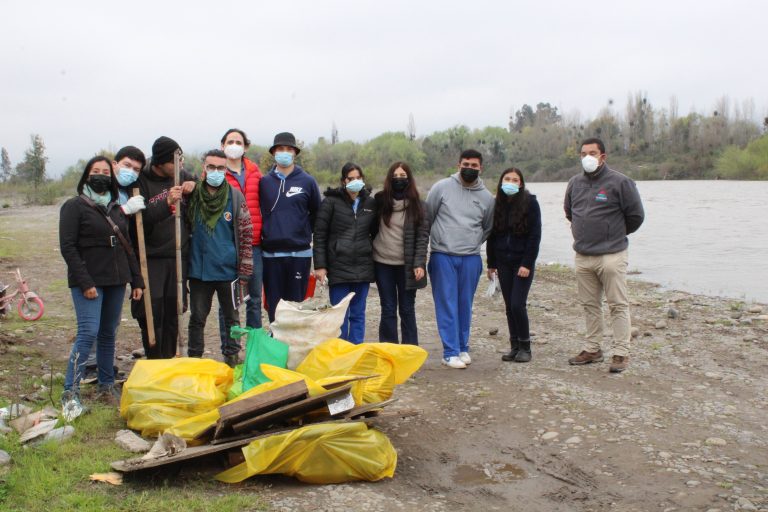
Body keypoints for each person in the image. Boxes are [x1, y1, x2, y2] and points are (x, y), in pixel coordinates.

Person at [59, 156, 144, 408]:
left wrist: (136, 280)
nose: (100, 175)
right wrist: (85, 282)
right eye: (95, 171)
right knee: (88, 332)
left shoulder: (116, 208)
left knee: (108, 334)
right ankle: (70, 391)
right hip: (89, 282)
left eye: (105, 172)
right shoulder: (74, 206)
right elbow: (68, 247)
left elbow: (127, 247)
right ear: (87, 175)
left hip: (116, 280)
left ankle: (106, 385)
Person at [564, 137, 645, 373]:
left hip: (612, 255)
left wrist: (614, 234)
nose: (587, 157)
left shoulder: (621, 182)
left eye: (592, 153)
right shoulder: (574, 183)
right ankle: (593, 348)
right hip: (583, 255)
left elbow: (636, 216)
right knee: (589, 304)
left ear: (603, 157)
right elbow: (570, 212)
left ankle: (621, 353)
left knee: (618, 305)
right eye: (583, 154)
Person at [426, 149, 494, 369]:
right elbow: (427, 218)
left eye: (474, 165)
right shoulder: (441, 188)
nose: (470, 168)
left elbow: (488, 228)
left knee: (465, 303)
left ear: (480, 168)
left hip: (470, 258)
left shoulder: (487, 197)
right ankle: (450, 352)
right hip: (443, 255)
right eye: (466, 164)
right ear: (458, 165)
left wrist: (472, 242)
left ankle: (463, 346)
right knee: (446, 303)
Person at [83, 145, 147, 377]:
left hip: (117, 263)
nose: (130, 171)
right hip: (95, 263)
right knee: (91, 322)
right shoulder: (97, 190)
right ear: (115, 164)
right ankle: (88, 366)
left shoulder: (129, 191)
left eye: (136, 169)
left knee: (110, 322)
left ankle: (104, 368)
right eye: (127, 165)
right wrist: (124, 211)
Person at [131, 136, 197, 359]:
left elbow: (196, 185)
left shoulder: (181, 175)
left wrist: (193, 185)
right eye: (174, 162)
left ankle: (170, 358)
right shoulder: (141, 181)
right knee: (152, 311)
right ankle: (154, 357)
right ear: (159, 163)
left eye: (181, 161)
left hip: (178, 255)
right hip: (152, 257)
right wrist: (165, 202)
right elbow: (140, 219)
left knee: (174, 309)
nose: (179, 167)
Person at [187, 150, 253, 367]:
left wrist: (245, 269)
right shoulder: (192, 194)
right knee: (197, 318)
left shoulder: (235, 197)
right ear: (203, 168)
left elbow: (246, 232)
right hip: (199, 270)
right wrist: (182, 188)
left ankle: (232, 360)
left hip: (229, 271)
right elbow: (163, 198)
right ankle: (195, 361)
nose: (216, 171)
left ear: (226, 170)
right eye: (211, 167)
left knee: (232, 319)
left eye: (220, 168)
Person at [259, 132, 321, 323]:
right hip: (271, 255)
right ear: (274, 153)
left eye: (288, 149)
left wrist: (301, 231)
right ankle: (276, 348)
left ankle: (295, 350)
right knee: (274, 308)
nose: (284, 152)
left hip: (299, 254)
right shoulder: (264, 182)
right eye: (280, 149)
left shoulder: (307, 181)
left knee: (296, 306)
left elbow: (316, 213)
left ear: (294, 153)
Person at [313, 163, 377, 343]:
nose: (355, 181)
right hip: (339, 267)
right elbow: (319, 234)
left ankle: (355, 351)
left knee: (358, 314)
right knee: (339, 315)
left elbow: (376, 231)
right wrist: (320, 265)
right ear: (343, 181)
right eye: (351, 178)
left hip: (363, 267)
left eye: (358, 178)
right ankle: (340, 353)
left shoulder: (370, 203)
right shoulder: (330, 202)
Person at [486, 168, 542, 363]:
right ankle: (514, 345)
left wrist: (527, 262)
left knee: (518, 304)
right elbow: (492, 237)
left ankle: (526, 346)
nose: (511, 182)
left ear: (521, 183)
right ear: (501, 182)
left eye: (515, 179)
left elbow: (535, 236)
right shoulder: (497, 204)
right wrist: (491, 263)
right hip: (503, 262)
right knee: (509, 306)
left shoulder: (530, 203)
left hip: (522, 262)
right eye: (507, 179)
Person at [372, 162, 429, 345]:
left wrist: (419, 263)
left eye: (403, 176)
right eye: (395, 176)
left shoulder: (419, 206)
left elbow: (422, 236)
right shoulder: (380, 201)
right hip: (382, 263)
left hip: (408, 265)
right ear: (389, 178)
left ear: (409, 179)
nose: (399, 179)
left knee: (407, 309)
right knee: (387, 308)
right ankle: (389, 350)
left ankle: (410, 350)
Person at [218, 128, 263, 352]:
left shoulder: (255, 172)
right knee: (229, 303)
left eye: (238, 141)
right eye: (230, 141)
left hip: (254, 244)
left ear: (245, 146)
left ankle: (254, 350)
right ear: (222, 145)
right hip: (228, 246)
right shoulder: (215, 172)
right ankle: (231, 350)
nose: (234, 145)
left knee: (254, 301)